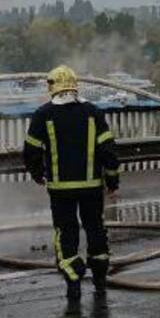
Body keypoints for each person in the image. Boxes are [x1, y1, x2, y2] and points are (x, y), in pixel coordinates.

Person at [22, 65, 120, 299]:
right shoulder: (93, 113)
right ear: (75, 86)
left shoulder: (43, 114)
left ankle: (73, 280)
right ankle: (100, 278)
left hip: (61, 190)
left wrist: (37, 173)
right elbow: (108, 150)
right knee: (95, 228)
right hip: (91, 187)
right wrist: (112, 178)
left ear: (52, 87)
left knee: (66, 231)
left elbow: (31, 151)